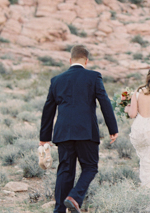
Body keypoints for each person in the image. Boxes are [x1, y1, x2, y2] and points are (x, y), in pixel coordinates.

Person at [40, 45, 119, 213]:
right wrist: (112, 128)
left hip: (63, 132)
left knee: (65, 171)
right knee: (90, 167)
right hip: (86, 132)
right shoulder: (93, 76)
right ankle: (74, 197)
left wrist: (44, 137)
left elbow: (48, 110)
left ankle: (59, 210)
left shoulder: (57, 80)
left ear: (70, 60)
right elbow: (104, 102)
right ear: (86, 61)